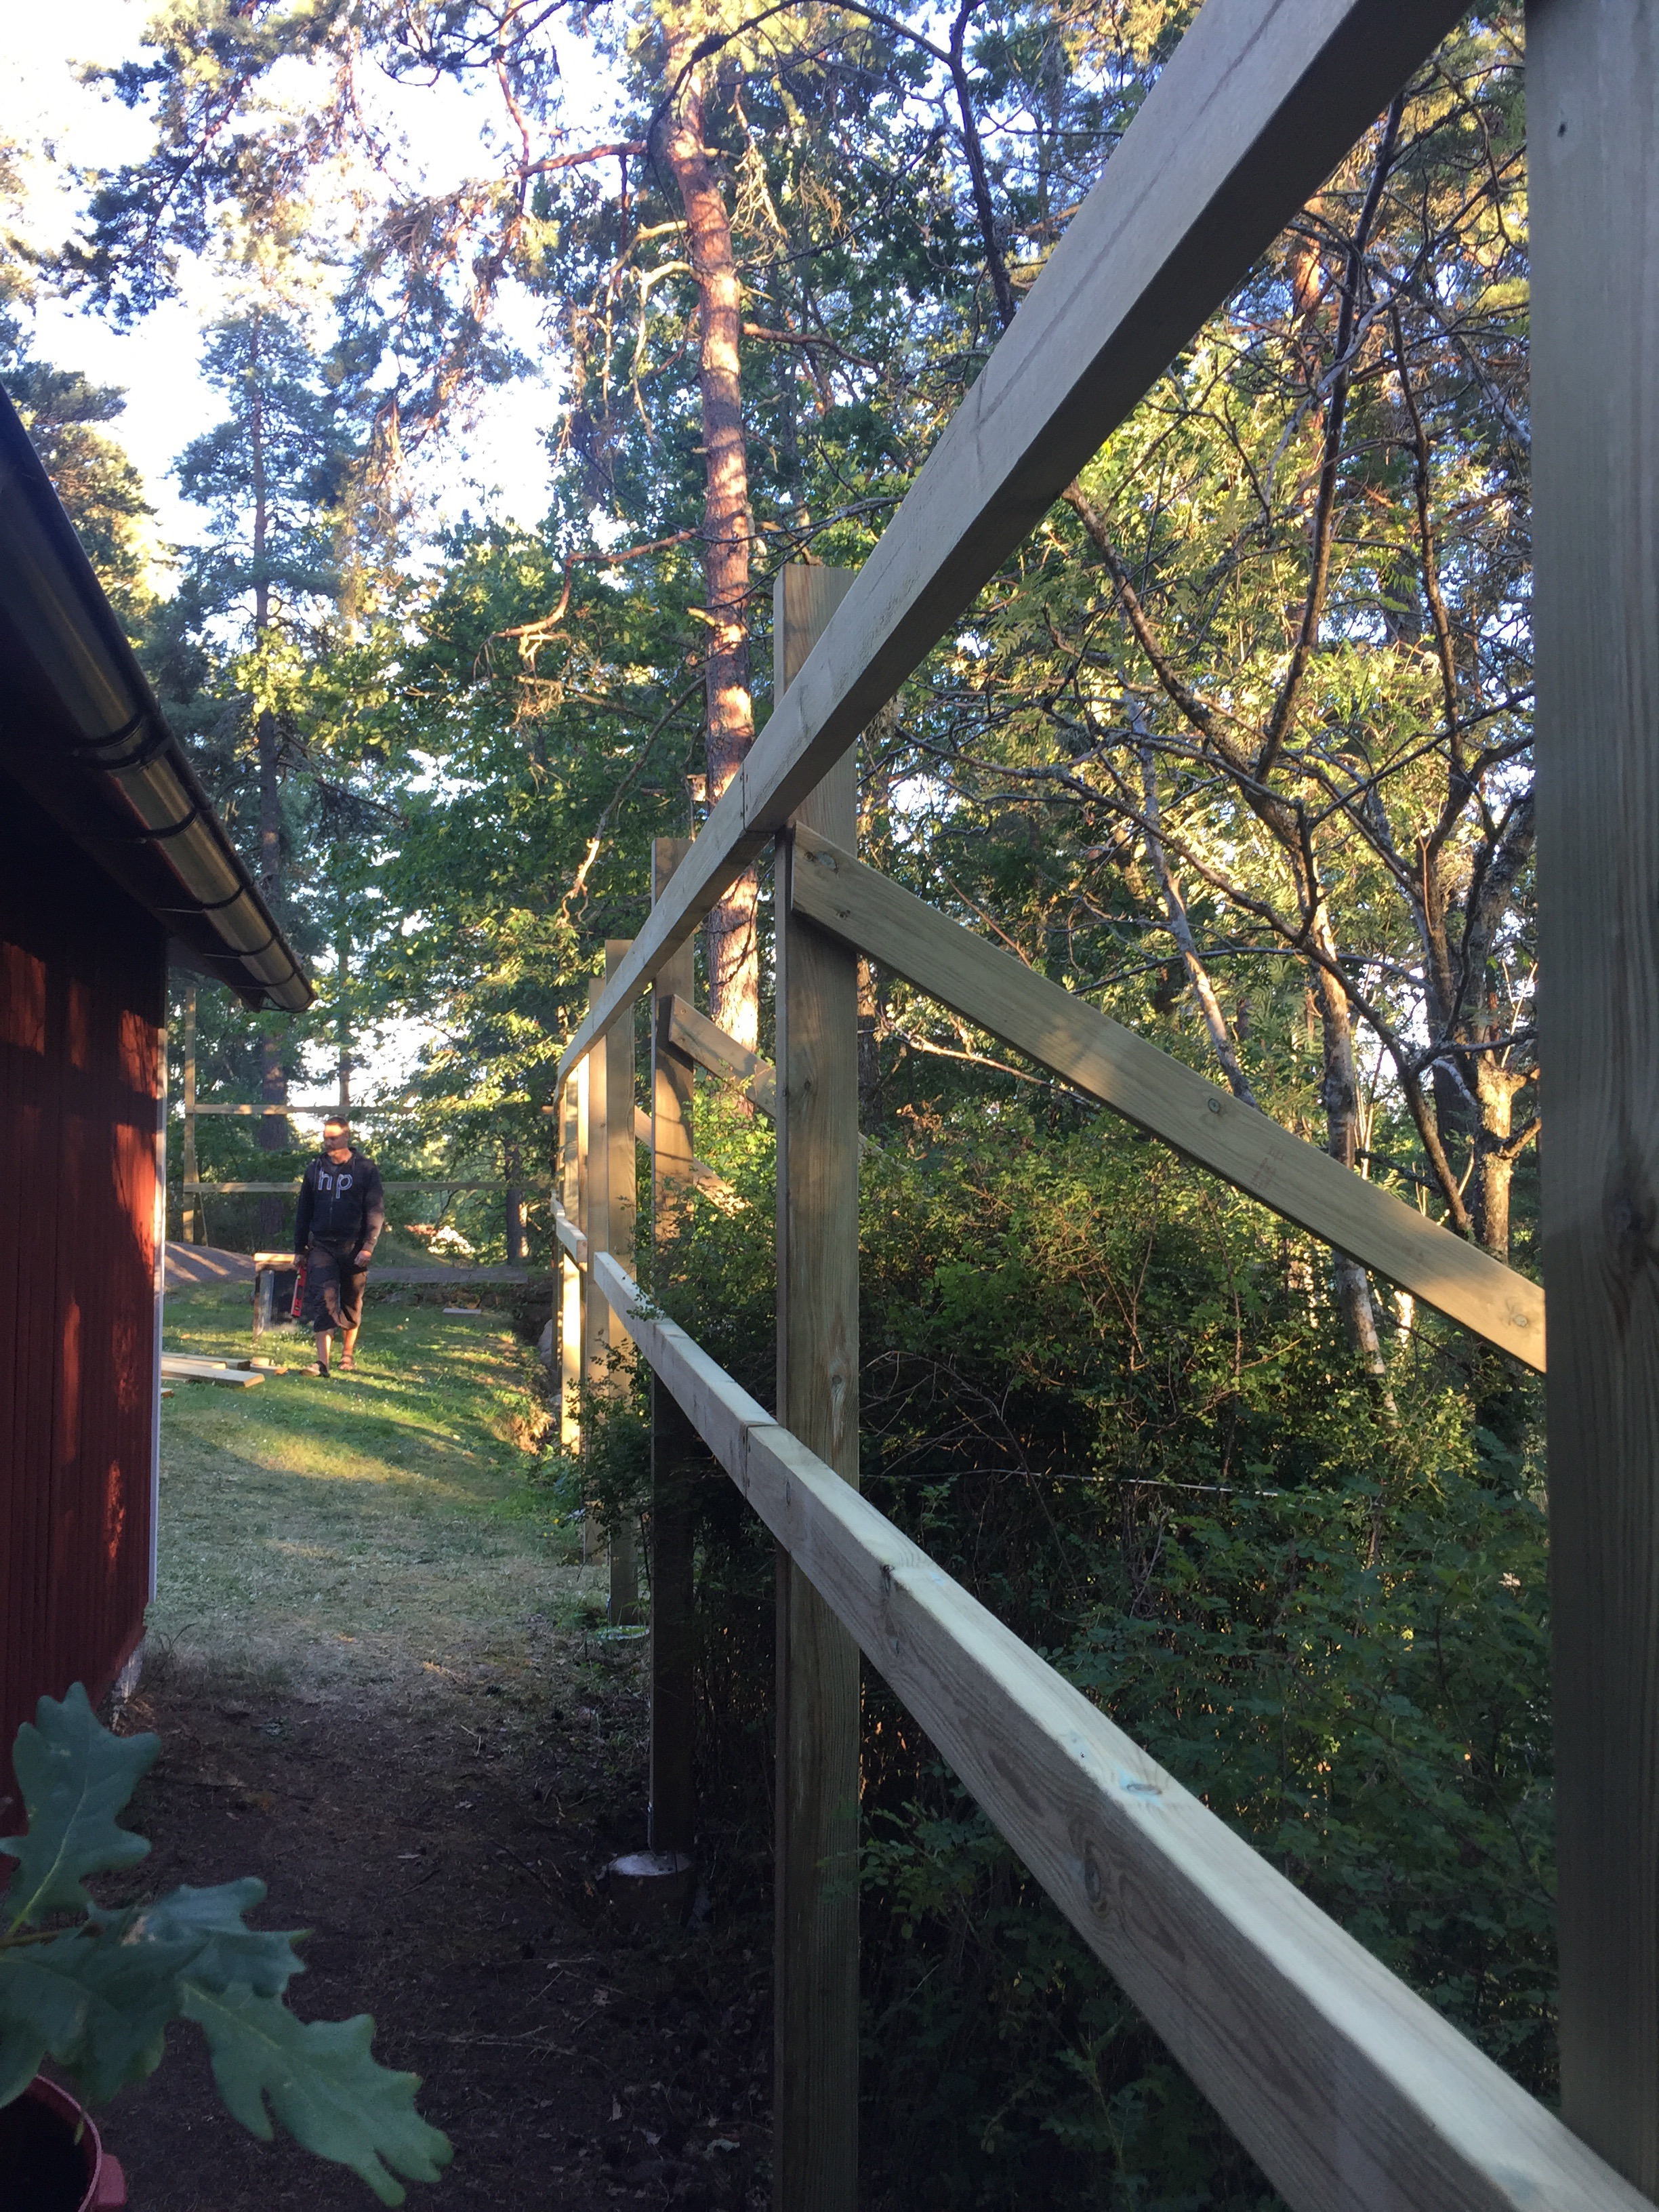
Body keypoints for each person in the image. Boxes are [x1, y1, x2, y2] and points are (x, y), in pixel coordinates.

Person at [294, 1116, 385, 1378]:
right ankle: (322, 1363)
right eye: (326, 1138)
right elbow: (304, 1210)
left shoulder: (365, 1169)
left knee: (351, 1300)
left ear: (346, 1136)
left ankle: (347, 1353)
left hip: (354, 1245)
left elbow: (375, 1210)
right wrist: (299, 1248)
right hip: (322, 1245)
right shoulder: (315, 1170)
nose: (328, 1143)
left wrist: (368, 1246)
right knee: (324, 1299)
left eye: (333, 1138)